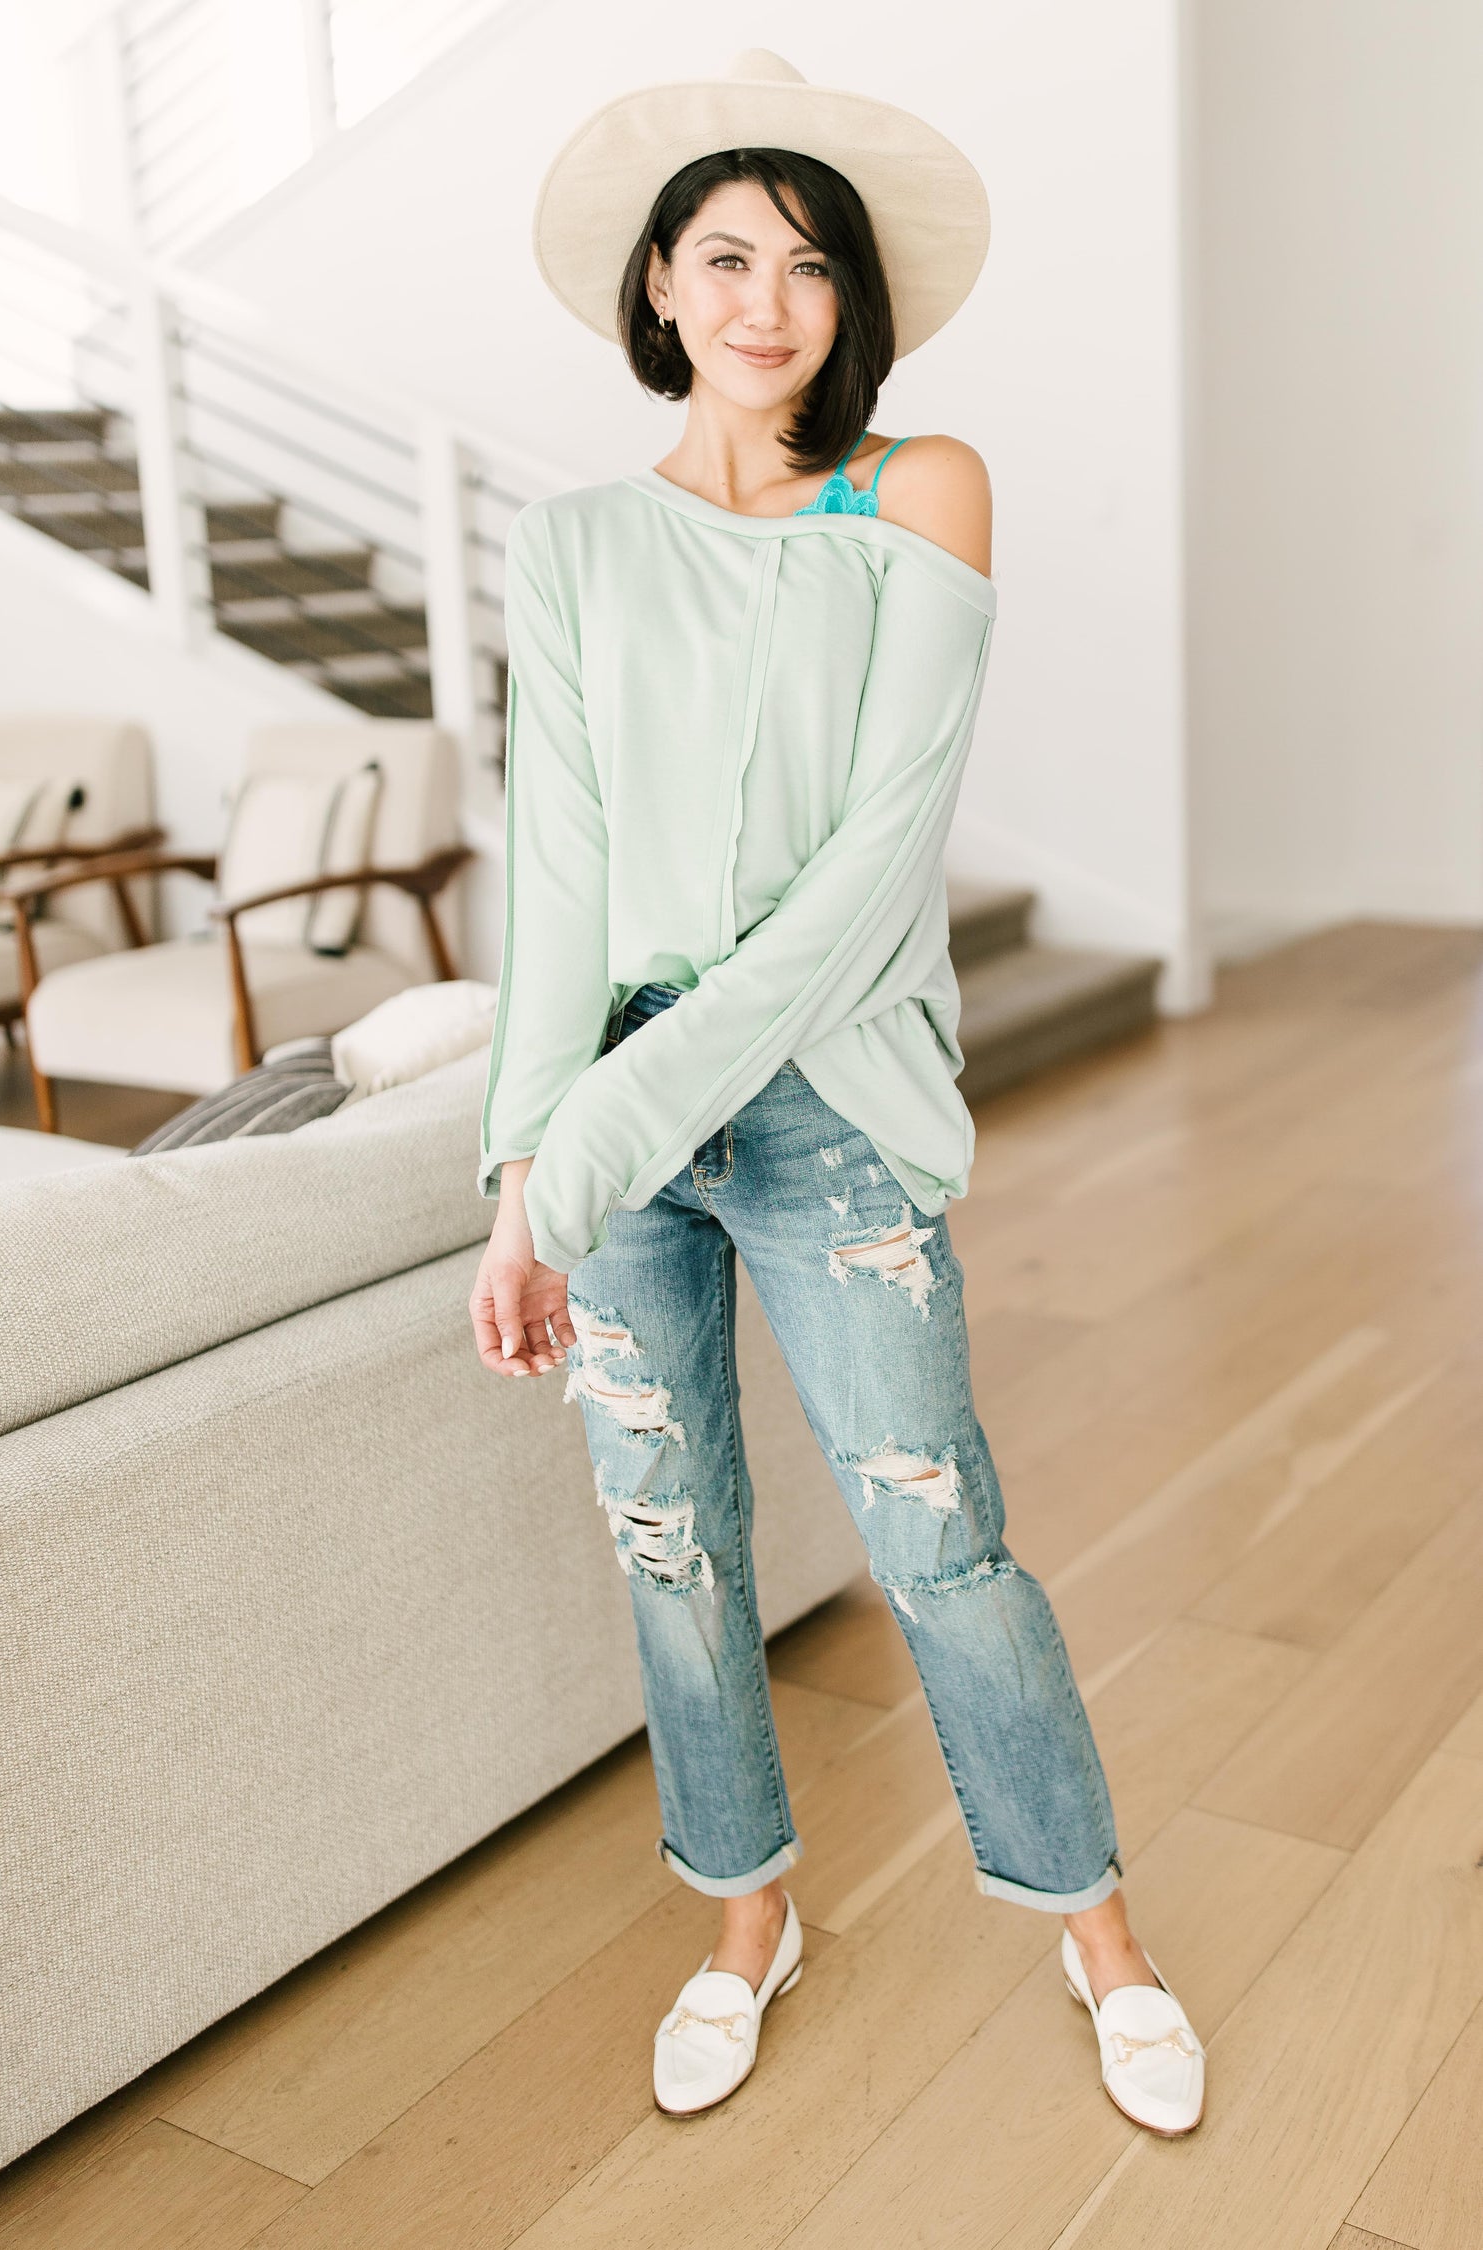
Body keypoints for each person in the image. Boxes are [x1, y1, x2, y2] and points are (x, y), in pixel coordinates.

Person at [469, 49, 1206, 2135]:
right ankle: (746, 1917)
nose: (768, 301)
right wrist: (527, 1167)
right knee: (672, 1544)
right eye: (726, 259)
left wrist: (581, 1153)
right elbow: (559, 878)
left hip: (821, 1102)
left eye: (809, 265)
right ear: (658, 285)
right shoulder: (575, 544)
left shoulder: (917, 493)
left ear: (853, 298)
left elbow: (866, 886)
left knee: (939, 1537)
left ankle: (1102, 1935)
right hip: (609, 1123)